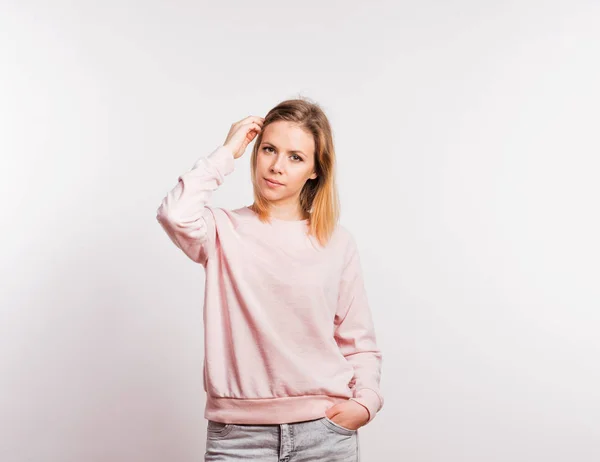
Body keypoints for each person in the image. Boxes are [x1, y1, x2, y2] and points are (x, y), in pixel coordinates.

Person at [156, 98, 383, 461]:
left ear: (314, 170)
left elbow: (359, 341)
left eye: (295, 157)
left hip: (325, 432)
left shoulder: (336, 242)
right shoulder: (221, 230)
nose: (277, 166)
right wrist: (228, 150)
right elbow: (175, 213)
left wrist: (367, 402)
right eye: (269, 150)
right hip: (238, 438)